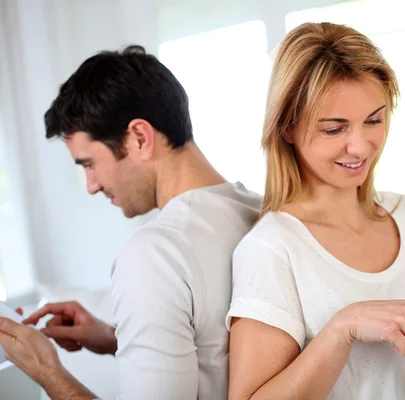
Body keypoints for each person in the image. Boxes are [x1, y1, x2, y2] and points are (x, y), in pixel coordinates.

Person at [226, 22, 405, 400]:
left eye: (374, 120)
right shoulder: (273, 248)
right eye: (334, 129)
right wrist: (343, 326)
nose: (360, 147)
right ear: (287, 127)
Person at [0, 45, 261, 400]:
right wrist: (115, 339)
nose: (91, 186)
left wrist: (47, 371)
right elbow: (216, 354)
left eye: (89, 164)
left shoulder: (154, 253)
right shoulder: (260, 211)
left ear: (140, 137)